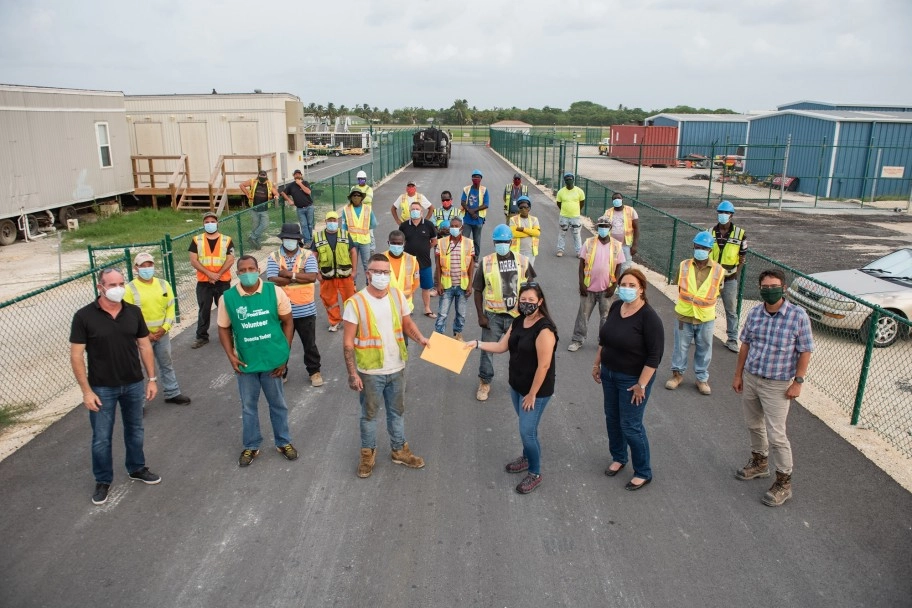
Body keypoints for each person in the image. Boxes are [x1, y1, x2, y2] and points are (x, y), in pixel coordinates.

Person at [70, 268, 161, 506]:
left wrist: (152, 379)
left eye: (121, 283)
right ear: (100, 287)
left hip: (133, 383)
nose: (118, 288)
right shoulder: (84, 316)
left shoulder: (133, 312)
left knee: (135, 430)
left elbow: (144, 346)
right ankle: (103, 480)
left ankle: (137, 467)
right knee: (101, 437)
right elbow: (76, 356)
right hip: (101, 388)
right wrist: (86, 391)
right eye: (112, 285)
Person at [342, 254, 430, 479]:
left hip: (397, 367)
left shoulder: (396, 295)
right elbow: (348, 342)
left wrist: (420, 338)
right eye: (377, 272)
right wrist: (352, 374)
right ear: (368, 273)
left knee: (397, 412)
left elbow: (407, 323)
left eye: (385, 272)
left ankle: (399, 450)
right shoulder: (355, 303)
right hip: (370, 372)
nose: (382, 276)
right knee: (369, 416)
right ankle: (367, 455)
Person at [733, 269, 814, 507]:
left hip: (777, 385)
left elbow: (805, 350)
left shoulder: (798, 316)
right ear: (760, 289)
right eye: (765, 287)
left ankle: (784, 482)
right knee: (753, 424)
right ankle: (759, 463)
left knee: (777, 435)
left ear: (784, 288)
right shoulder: (755, 313)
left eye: (774, 286)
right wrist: (738, 374)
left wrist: (798, 382)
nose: (770, 291)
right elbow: (745, 344)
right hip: (752, 378)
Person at [466, 282, 557, 495]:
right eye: (523, 300)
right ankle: (526, 458)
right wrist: (476, 344)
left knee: (527, 432)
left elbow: (544, 366)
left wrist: (532, 394)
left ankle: (535, 472)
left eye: (531, 300)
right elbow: (501, 346)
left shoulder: (544, 330)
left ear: (540, 302)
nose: (526, 303)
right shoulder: (518, 321)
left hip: (535, 392)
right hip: (517, 385)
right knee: (528, 429)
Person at [217, 256, 298, 467]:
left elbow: (288, 322)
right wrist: (231, 355)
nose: (247, 273)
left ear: (258, 269)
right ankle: (251, 445)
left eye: (251, 268)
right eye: (242, 270)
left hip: (272, 361)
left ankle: (283, 442)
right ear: (237, 273)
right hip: (246, 363)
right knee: (248, 406)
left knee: (278, 404)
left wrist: (284, 355)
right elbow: (223, 328)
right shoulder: (228, 298)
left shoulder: (275, 292)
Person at [592, 268, 664, 492]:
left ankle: (643, 471)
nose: (627, 289)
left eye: (632, 286)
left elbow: (654, 356)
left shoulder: (649, 318)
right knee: (612, 418)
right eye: (624, 285)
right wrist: (597, 364)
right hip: (609, 374)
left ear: (642, 289)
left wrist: (641, 385)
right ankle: (619, 457)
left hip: (633, 380)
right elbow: (604, 339)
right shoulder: (616, 306)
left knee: (631, 425)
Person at [473, 224, 535, 401]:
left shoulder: (522, 261)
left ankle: (521, 382)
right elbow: (478, 290)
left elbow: (531, 288)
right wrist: (480, 315)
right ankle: (485, 382)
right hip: (492, 315)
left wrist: (530, 315)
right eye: (499, 242)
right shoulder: (486, 262)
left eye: (505, 241)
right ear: (494, 242)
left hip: (517, 316)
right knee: (487, 350)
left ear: (511, 241)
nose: (502, 245)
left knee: (521, 351)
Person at [124, 252, 191, 406]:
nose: (147, 268)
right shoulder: (129, 289)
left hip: (162, 334)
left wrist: (165, 327)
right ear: (136, 268)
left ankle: (172, 392)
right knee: (139, 369)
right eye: (143, 266)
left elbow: (170, 307)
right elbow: (128, 314)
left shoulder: (163, 284)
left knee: (166, 363)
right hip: (141, 337)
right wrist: (144, 333)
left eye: (150, 265)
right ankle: (139, 403)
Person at [665, 231, 725, 395]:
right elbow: (680, 287)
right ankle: (677, 375)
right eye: (698, 247)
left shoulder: (719, 270)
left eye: (704, 248)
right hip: (684, 315)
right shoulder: (684, 265)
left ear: (710, 250)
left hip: (705, 317)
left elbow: (717, 291)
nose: (700, 250)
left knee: (704, 348)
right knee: (680, 347)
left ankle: (702, 378)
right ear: (693, 246)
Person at [266, 223, 323, 387]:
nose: (289, 241)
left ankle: (314, 371)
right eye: (287, 238)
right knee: (282, 343)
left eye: (292, 238)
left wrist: (288, 274)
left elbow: (312, 277)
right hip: (281, 310)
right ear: (282, 239)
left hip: (305, 309)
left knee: (309, 344)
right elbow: (273, 279)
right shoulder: (273, 256)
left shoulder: (307, 255)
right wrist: (299, 276)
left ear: (298, 240)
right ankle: (282, 371)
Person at [567, 215, 625, 352]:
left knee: (606, 317)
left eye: (605, 226)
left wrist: (614, 286)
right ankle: (577, 340)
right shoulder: (589, 243)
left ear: (610, 228)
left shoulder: (617, 245)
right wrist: (581, 284)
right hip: (589, 287)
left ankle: (604, 342)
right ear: (597, 228)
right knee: (583, 315)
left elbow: (618, 267)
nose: (603, 229)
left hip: (607, 288)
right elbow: (581, 264)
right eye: (601, 226)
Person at [188, 212, 234, 349]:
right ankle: (201, 337)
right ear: (203, 224)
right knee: (204, 310)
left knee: (226, 309)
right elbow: (193, 260)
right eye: (207, 222)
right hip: (204, 282)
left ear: (217, 223)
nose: (210, 224)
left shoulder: (227, 240)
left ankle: (230, 335)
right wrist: (209, 274)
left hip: (222, 281)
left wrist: (217, 275)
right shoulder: (196, 240)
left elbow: (230, 260)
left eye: (212, 221)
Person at [711, 200, 748, 353]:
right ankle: (702, 333)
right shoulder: (709, 233)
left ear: (731, 215)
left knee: (731, 310)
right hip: (712, 277)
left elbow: (742, 257)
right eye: (721, 212)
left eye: (726, 213)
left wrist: (735, 273)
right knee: (707, 306)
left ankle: (732, 339)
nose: (723, 215)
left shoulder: (740, 234)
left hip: (730, 278)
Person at [312, 210, 357, 332]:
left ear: (338, 221)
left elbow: (353, 252)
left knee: (350, 300)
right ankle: (335, 321)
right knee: (329, 301)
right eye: (330, 220)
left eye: (334, 220)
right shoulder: (318, 237)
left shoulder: (345, 234)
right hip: (327, 276)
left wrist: (354, 271)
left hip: (345, 275)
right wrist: (317, 274)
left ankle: (351, 321)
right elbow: (313, 256)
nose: (332, 222)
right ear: (325, 221)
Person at [434, 216, 475, 340]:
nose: (454, 228)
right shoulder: (441, 242)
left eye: (456, 226)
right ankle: (439, 337)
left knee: (461, 315)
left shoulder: (469, 243)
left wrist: (470, 284)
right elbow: (437, 265)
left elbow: (471, 265)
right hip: (446, 285)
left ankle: (457, 335)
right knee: (442, 314)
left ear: (462, 227)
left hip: (462, 286)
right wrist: (438, 284)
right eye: (452, 226)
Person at [398, 200, 438, 318]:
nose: (415, 211)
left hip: (424, 262)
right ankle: (408, 308)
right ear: (409, 211)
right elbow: (401, 242)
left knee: (426, 287)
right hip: (408, 263)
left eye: (417, 209)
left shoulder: (429, 225)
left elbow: (434, 241)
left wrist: (425, 248)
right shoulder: (404, 226)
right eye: (413, 209)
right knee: (409, 286)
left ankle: (427, 308)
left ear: (422, 212)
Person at [341, 188, 377, 286]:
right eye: (354, 195)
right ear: (351, 198)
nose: (356, 197)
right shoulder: (346, 209)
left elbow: (373, 224)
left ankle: (368, 283)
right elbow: (344, 226)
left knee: (367, 264)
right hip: (351, 241)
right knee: (353, 264)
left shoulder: (368, 209)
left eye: (358, 195)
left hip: (364, 240)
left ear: (361, 197)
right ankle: (353, 283)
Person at [239, 169, 278, 250]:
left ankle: (252, 237)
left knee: (265, 224)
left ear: (266, 176)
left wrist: (276, 196)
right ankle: (256, 244)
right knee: (255, 226)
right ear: (258, 175)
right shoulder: (253, 181)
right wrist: (247, 194)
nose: (262, 177)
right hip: (254, 208)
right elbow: (241, 185)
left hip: (264, 209)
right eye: (261, 175)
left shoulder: (269, 184)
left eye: (264, 175)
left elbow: (276, 193)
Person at [384, 229, 420, 310]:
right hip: (386, 304)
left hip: (405, 304)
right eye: (393, 243)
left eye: (399, 243)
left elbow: (416, 281)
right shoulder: (381, 259)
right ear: (388, 243)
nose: (396, 246)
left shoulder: (412, 260)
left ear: (404, 243)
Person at [606, 192, 639, 274]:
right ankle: (613, 281)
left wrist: (635, 245)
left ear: (622, 199)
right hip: (612, 245)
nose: (616, 200)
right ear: (612, 201)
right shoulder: (608, 212)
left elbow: (636, 228)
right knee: (612, 265)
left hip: (626, 245)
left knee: (625, 267)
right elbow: (604, 227)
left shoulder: (630, 211)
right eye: (614, 199)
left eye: (618, 198)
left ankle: (622, 281)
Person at [281, 169, 315, 247]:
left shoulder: (305, 183)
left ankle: (310, 239)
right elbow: (283, 192)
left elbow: (308, 192)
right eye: (296, 174)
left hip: (309, 207)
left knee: (310, 224)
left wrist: (300, 184)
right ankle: (307, 242)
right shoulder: (291, 185)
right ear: (293, 176)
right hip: (300, 209)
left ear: (301, 175)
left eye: (298, 174)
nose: (297, 175)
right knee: (304, 225)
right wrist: (289, 200)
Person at [555, 172, 585, 257]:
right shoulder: (561, 192)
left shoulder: (579, 191)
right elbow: (559, 203)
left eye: (570, 179)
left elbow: (582, 202)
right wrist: (565, 210)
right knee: (562, 234)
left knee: (576, 234)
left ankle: (579, 252)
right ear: (564, 181)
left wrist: (576, 210)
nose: (569, 181)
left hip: (575, 217)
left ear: (573, 180)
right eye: (567, 179)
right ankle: (560, 250)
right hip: (564, 216)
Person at [461, 169, 489, 258]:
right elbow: (463, 202)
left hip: (478, 219)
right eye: (474, 177)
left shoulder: (484, 190)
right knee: (464, 239)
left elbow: (486, 204)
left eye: (478, 177)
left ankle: (476, 258)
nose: (476, 179)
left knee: (477, 240)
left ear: (481, 179)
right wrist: (470, 211)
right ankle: (464, 257)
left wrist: (474, 210)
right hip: (467, 219)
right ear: (471, 178)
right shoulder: (466, 189)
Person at [509, 195, 540, 267]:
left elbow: (537, 233)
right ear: (518, 209)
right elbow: (513, 233)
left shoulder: (534, 219)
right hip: (517, 251)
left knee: (528, 271)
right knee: (518, 271)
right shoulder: (513, 219)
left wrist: (523, 229)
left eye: (525, 207)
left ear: (529, 208)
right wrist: (530, 232)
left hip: (530, 251)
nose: (523, 209)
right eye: (521, 207)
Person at [352, 170, 376, 252]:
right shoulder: (354, 188)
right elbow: (352, 200)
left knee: (370, 233)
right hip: (356, 215)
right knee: (356, 233)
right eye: (359, 179)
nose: (361, 180)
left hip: (367, 215)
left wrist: (357, 199)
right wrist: (361, 198)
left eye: (362, 179)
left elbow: (368, 199)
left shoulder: (369, 189)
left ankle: (372, 250)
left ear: (365, 179)